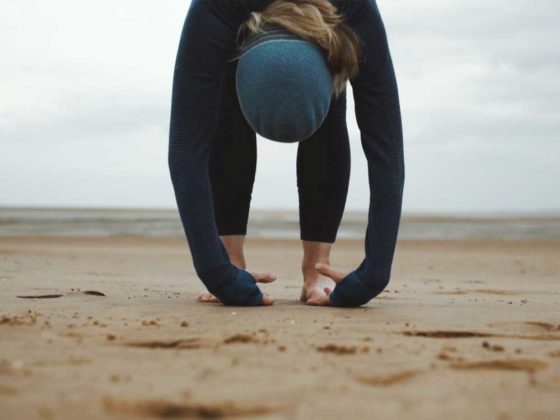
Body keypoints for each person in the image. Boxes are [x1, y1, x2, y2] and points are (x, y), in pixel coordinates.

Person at [168, 0, 405, 307]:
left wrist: (375, 273)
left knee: (322, 87)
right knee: (225, 90)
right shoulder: (216, 8)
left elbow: (386, 149)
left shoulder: (353, 8)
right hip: (234, 39)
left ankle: (316, 268)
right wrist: (218, 271)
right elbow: (186, 152)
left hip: (327, 39)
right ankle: (231, 256)